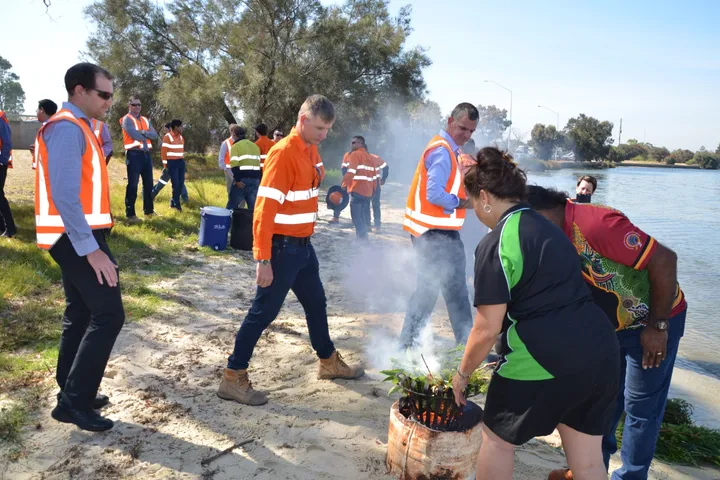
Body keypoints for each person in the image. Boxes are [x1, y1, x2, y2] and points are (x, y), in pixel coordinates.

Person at [451, 148, 620, 480]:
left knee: (496, 440)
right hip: (601, 354)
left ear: (484, 196)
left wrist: (462, 375)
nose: (473, 211)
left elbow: (486, 330)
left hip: (544, 357)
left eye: (472, 202)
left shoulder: (496, 243)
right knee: (586, 461)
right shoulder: (549, 229)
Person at [527, 187, 687, 480]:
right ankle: (591, 469)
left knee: (641, 408)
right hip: (609, 327)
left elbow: (665, 260)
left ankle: (631, 476)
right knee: (601, 400)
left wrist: (657, 327)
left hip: (653, 320)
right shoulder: (550, 238)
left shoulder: (596, 223)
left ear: (541, 215)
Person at [217, 95, 364, 406]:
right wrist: (263, 259)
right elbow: (263, 210)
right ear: (303, 120)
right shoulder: (283, 153)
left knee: (316, 303)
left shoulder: (311, 149)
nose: (325, 135)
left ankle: (328, 361)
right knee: (263, 313)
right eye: (321, 128)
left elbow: (314, 183)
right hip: (281, 249)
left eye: (328, 130)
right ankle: (233, 376)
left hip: (303, 248)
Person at [35, 62, 125, 432]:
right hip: (75, 237)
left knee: (82, 312)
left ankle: (71, 391)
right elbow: (65, 196)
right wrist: (91, 248)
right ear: (78, 91)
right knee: (109, 314)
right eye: (103, 94)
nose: (109, 101)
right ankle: (74, 402)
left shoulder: (83, 128)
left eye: (110, 95)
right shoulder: (67, 129)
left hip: (77, 235)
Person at [399, 102, 478, 347]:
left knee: (438, 291)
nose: (466, 135)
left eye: (471, 132)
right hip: (434, 235)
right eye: (463, 128)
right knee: (446, 292)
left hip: (434, 233)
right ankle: (464, 349)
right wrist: (464, 203)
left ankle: (408, 346)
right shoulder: (443, 151)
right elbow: (434, 194)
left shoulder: (449, 150)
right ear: (450, 121)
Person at [120, 95, 157, 223]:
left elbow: (155, 135)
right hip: (134, 155)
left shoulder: (145, 120)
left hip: (146, 155)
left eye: (139, 105)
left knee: (149, 184)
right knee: (133, 185)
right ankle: (130, 214)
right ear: (129, 106)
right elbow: (133, 135)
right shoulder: (127, 119)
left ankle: (149, 211)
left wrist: (144, 133)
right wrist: (145, 134)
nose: (137, 107)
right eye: (134, 105)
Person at [341, 135, 376, 240]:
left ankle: (362, 238)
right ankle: (362, 237)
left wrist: (344, 184)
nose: (351, 144)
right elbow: (374, 176)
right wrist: (373, 190)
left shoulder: (355, 155)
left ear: (360, 144)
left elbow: (351, 171)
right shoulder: (370, 156)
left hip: (357, 189)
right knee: (362, 215)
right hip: (368, 191)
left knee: (356, 216)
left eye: (353, 143)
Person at [226, 127, 262, 211]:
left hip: (242, 181)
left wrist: (237, 180)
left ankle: (230, 223)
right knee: (253, 209)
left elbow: (234, 165)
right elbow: (258, 164)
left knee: (231, 207)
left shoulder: (236, 146)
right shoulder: (255, 146)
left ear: (234, 135)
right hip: (255, 181)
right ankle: (251, 224)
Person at [161, 119, 186, 211]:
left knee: (181, 183)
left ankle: (173, 202)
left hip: (181, 162)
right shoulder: (167, 137)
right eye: (181, 126)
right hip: (172, 163)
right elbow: (164, 152)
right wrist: (165, 165)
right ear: (176, 127)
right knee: (175, 184)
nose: (182, 128)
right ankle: (177, 205)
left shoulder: (181, 137)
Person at [0, 110, 16, 238]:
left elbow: (7, 142)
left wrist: (2, 161)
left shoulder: (0, 118)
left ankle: (10, 228)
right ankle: (2, 227)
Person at [218, 124, 243, 195]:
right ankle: (231, 206)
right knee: (231, 191)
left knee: (241, 191)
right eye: (235, 131)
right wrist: (226, 169)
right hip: (229, 170)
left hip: (240, 170)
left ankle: (241, 206)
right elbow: (221, 158)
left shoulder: (240, 141)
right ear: (231, 132)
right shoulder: (226, 143)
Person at [369, 150, 389, 231]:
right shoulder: (375, 157)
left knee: (369, 204)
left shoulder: (374, 158)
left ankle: (373, 225)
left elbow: (385, 167)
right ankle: (375, 226)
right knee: (374, 204)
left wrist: (383, 179)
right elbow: (386, 167)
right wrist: (383, 179)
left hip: (370, 183)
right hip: (371, 183)